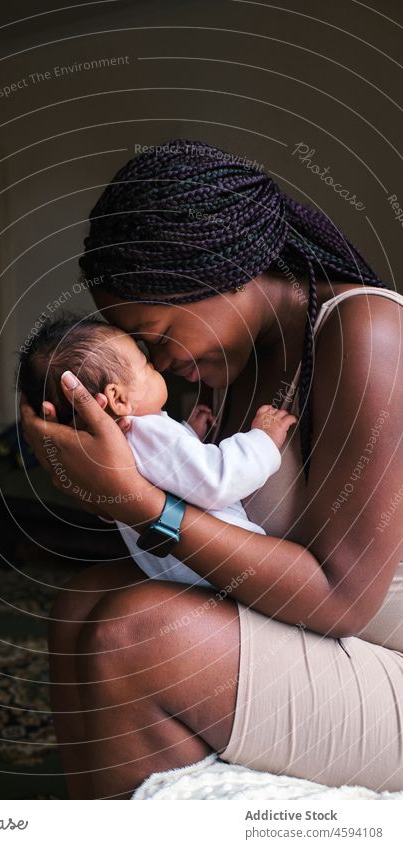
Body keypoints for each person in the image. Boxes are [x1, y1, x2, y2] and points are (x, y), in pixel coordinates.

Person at [20, 140, 403, 800]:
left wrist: (143, 504)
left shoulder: (366, 332)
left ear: (222, 271)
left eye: (155, 331)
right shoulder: (223, 364)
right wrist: (104, 479)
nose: (160, 363)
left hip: (378, 644)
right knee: (80, 604)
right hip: (311, 624)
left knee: (134, 634)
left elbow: (341, 599)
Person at [17, 314, 296, 587]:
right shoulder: (149, 432)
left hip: (174, 570)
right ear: (117, 398)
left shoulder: (103, 451)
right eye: (147, 365)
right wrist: (263, 439)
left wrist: (188, 434)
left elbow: (167, 477)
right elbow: (218, 480)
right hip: (224, 567)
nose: (158, 367)